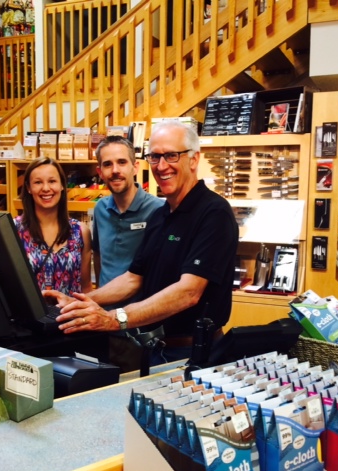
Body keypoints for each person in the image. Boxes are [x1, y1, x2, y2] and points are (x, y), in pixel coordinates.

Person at [43, 120, 239, 367]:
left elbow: (188, 292)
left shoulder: (214, 213)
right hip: (157, 348)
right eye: (155, 157)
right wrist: (80, 300)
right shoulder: (161, 215)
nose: (162, 166)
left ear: (193, 159)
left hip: (195, 353)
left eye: (171, 155)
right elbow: (133, 278)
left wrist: (114, 319)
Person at [92, 136, 165, 371]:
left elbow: (144, 278)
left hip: (138, 328)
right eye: (107, 164)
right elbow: (99, 257)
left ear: (135, 167)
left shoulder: (157, 211)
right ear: (99, 171)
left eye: (122, 162)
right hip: (101, 325)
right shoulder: (100, 209)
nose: (115, 170)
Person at [14, 157, 93, 296]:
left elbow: (85, 288)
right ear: (28, 188)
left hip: (70, 316)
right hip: (28, 317)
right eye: (38, 182)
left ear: (62, 185)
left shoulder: (80, 232)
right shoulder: (13, 231)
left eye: (52, 181)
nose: (46, 188)